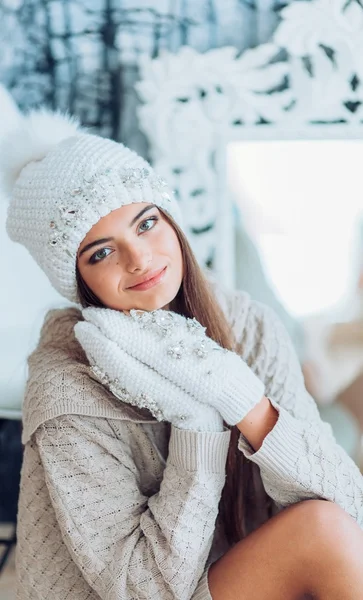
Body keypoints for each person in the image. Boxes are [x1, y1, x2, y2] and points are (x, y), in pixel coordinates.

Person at [2, 110, 363, 600]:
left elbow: (351, 504)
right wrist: (196, 425)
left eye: (146, 223)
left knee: (327, 523)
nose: (140, 258)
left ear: (171, 220)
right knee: (319, 528)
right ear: (78, 279)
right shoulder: (67, 386)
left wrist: (245, 403)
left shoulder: (248, 326)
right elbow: (142, 590)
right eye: (102, 253)